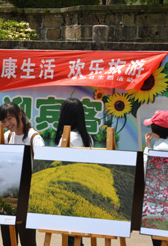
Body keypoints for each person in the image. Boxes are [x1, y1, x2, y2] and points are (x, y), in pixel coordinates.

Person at [0, 102, 44, 246]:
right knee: (8, 240)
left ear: (20, 115)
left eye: (10, 119)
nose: (7, 123)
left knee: (27, 240)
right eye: (3, 121)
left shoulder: (34, 138)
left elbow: (41, 171)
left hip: (27, 198)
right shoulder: (7, 136)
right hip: (7, 196)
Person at [54, 98, 92, 246]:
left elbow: (59, 164)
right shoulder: (87, 138)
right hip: (83, 188)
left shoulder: (68, 138)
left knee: (71, 235)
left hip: (69, 189)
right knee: (75, 233)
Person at [143, 110, 168, 246]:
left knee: (158, 237)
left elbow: (147, 171)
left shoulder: (160, 148)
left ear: (156, 129)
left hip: (159, 199)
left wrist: (147, 149)